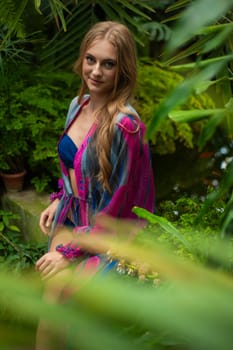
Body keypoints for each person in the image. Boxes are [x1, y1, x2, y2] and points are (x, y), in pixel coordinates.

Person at [35, 20, 155, 349]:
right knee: (50, 305)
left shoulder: (126, 126)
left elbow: (121, 203)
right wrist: (61, 197)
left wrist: (71, 252)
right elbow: (73, 165)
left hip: (105, 230)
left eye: (108, 64)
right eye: (91, 59)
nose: (96, 71)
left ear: (123, 69)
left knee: (69, 307)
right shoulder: (80, 105)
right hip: (71, 216)